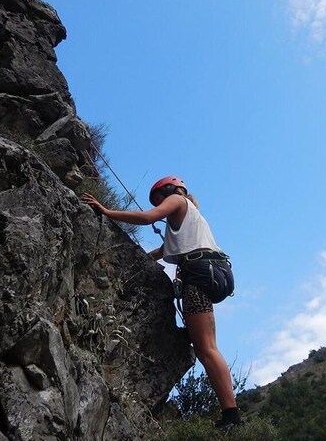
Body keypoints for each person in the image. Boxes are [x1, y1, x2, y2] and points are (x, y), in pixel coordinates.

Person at [81, 175, 242, 430]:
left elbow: (147, 218)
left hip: (199, 274)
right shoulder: (190, 221)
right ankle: (231, 413)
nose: (159, 205)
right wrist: (137, 260)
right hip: (214, 273)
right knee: (206, 345)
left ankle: (231, 417)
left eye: (158, 199)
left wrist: (106, 211)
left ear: (169, 191)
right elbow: (161, 252)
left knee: (206, 349)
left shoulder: (177, 200)